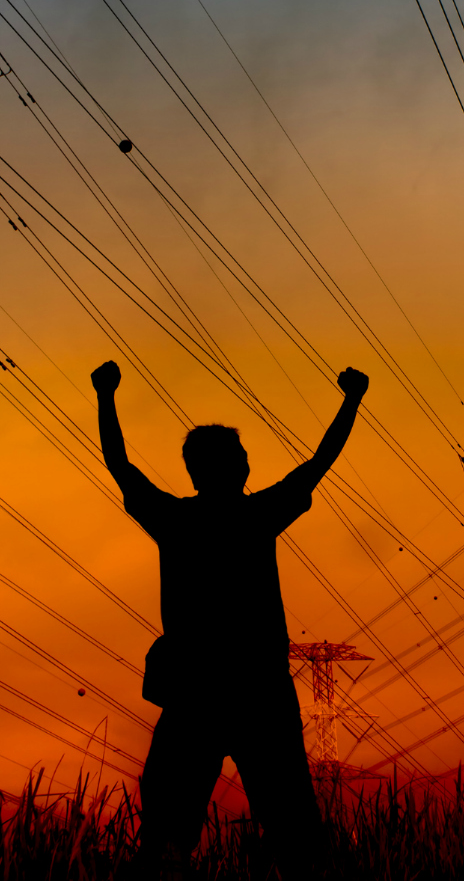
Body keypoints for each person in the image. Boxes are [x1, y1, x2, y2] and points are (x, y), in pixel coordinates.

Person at [92, 360, 369, 879]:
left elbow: (119, 465)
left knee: (164, 836)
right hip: (258, 692)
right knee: (293, 830)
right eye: (240, 455)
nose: (243, 462)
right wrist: (351, 400)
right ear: (238, 468)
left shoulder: (175, 519)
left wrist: (105, 396)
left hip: (194, 694)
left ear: (194, 471)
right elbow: (320, 461)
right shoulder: (257, 515)